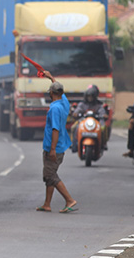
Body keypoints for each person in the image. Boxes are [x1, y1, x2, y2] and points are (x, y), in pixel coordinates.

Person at [36, 70, 78, 213]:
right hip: (61, 145)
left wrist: (52, 149)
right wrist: (51, 77)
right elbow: (58, 88)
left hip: (55, 147)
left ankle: (69, 200)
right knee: (50, 174)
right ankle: (47, 204)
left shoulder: (54, 108)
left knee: (50, 175)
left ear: (51, 93)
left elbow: (55, 130)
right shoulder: (64, 103)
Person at [70, 85, 108, 152]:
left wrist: (104, 115)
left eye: (91, 96)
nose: (90, 98)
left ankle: (103, 143)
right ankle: (74, 144)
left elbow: (102, 111)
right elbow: (78, 109)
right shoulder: (82, 104)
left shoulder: (98, 105)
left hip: (96, 122)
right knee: (74, 127)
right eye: (88, 96)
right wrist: (75, 113)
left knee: (104, 128)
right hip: (83, 121)